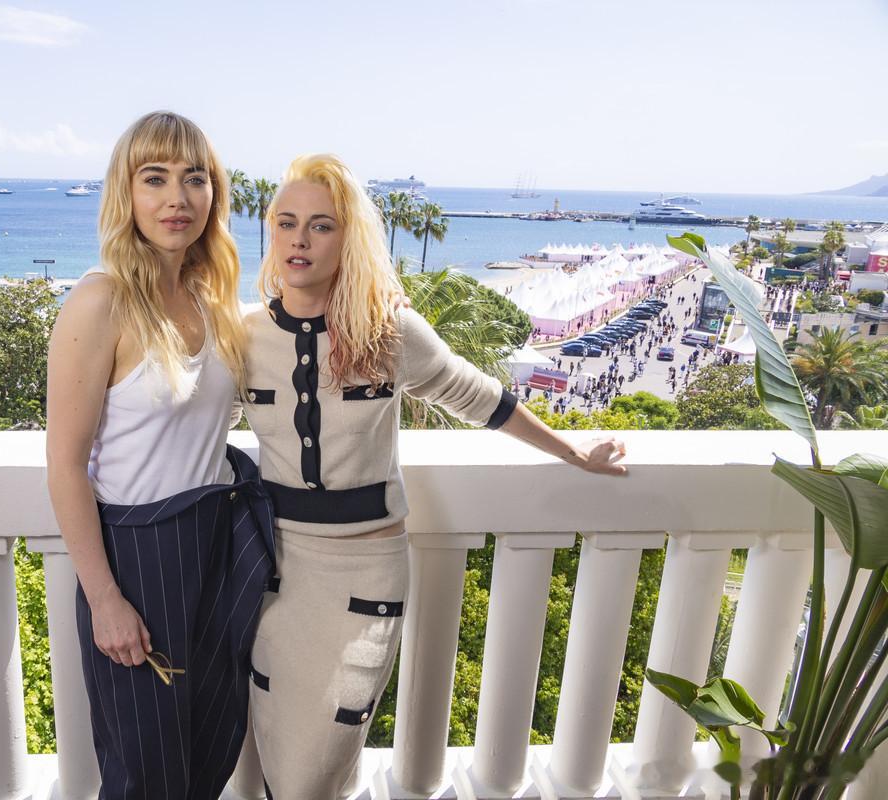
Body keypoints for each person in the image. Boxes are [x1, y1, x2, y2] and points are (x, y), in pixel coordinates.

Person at [239, 154, 627, 799]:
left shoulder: (388, 330)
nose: (299, 239)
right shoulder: (243, 336)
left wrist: (572, 452)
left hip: (365, 576)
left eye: (321, 225)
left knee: (320, 763)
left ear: (348, 238)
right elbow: (188, 418)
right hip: (276, 576)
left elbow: (480, 397)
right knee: (279, 755)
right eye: (286, 222)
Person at [46, 111, 275, 800]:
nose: (177, 198)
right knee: (146, 771)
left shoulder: (212, 297)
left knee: (209, 747)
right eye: (155, 179)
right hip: (138, 562)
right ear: (127, 193)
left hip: (215, 546)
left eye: (194, 179)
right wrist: (105, 599)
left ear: (213, 193)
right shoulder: (99, 302)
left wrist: (370, 300)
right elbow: (65, 466)